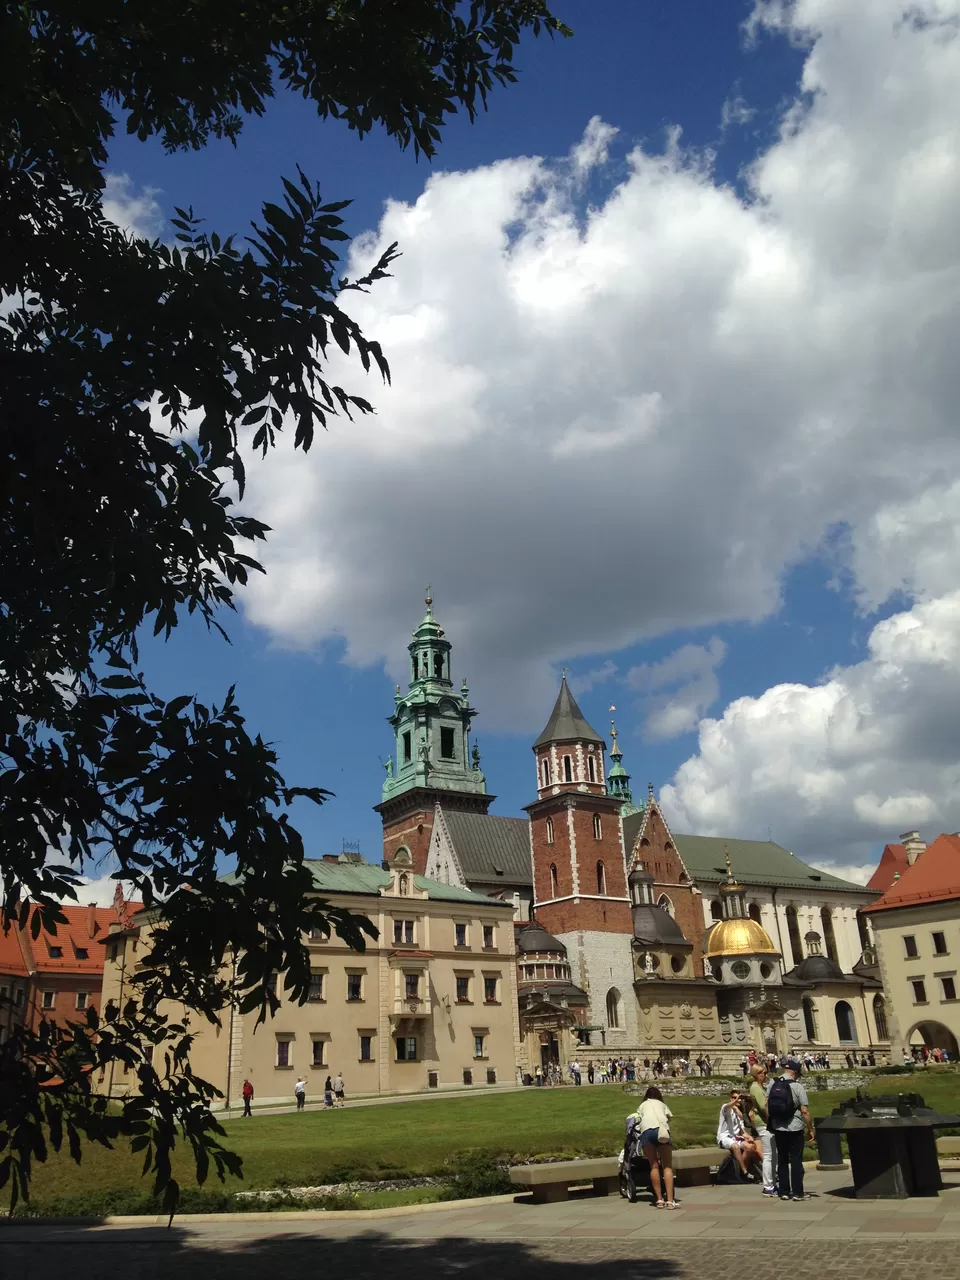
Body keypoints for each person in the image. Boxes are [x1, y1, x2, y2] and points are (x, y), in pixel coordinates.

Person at [767, 1057, 815, 1201]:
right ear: (794, 1072)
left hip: (778, 1128)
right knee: (795, 1160)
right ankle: (798, 1192)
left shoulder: (772, 1083)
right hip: (795, 1128)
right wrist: (810, 1128)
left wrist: (772, 1122)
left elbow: (767, 1106)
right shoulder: (797, 1086)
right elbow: (804, 1110)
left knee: (782, 1159)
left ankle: (784, 1191)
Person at [634, 1086, 678, 1209]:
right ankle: (670, 1200)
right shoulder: (662, 1104)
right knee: (667, 1166)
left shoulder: (642, 1105)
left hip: (646, 1132)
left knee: (653, 1165)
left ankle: (659, 1199)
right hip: (661, 1131)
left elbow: (638, 1118)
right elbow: (669, 1117)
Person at [717, 1089, 763, 1181]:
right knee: (735, 1146)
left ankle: (740, 1171)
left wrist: (748, 1137)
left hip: (735, 1137)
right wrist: (736, 1101)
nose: (737, 1100)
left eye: (738, 1098)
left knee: (750, 1147)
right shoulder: (725, 1108)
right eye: (734, 1098)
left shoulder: (739, 1114)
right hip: (724, 1137)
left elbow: (741, 1131)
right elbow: (728, 1106)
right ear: (730, 1098)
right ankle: (745, 1172)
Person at [747, 1064, 778, 1196]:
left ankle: (772, 1182)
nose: (765, 1075)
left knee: (773, 1154)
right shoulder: (755, 1088)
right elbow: (764, 1107)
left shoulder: (759, 1087)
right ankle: (768, 1185)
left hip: (766, 1124)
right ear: (757, 1074)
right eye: (763, 1073)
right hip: (764, 1124)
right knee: (769, 1155)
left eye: (765, 1072)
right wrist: (772, 1120)